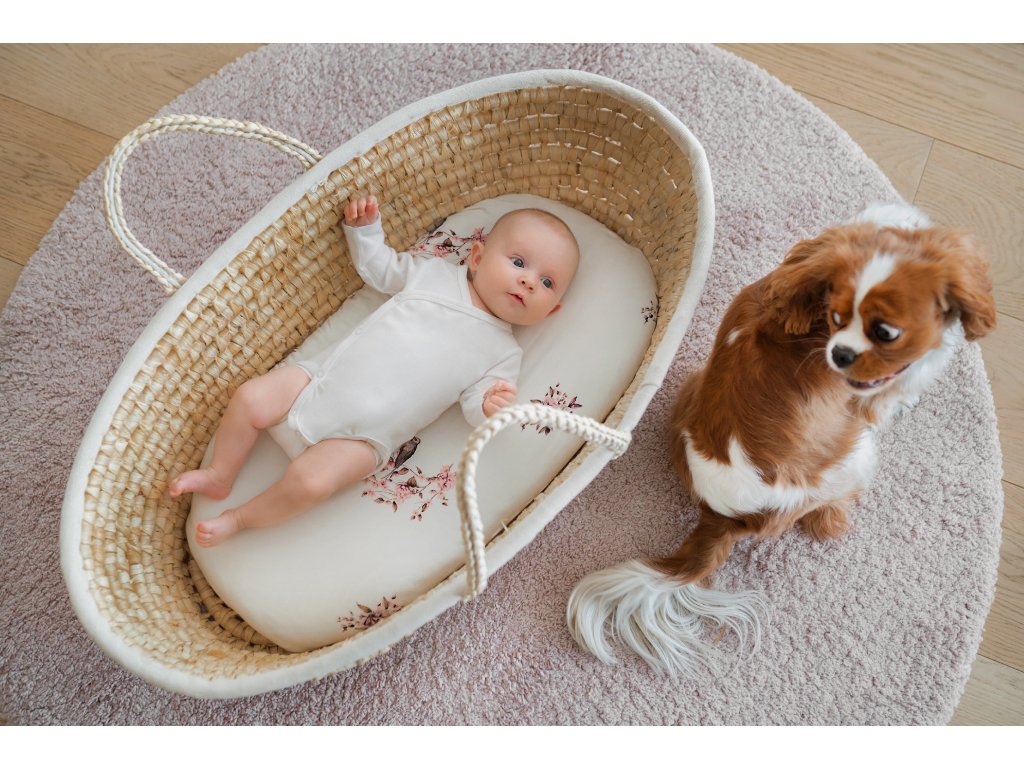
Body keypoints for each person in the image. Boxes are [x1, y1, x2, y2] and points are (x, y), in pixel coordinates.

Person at [169, 194, 580, 547]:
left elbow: (476, 406)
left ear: (552, 311)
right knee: (250, 398)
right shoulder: (432, 274)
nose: (529, 282)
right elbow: (381, 270)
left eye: (547, 283)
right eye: (519, 262)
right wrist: (365, 230)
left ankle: (240, 519)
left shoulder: (504, 352)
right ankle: (220, 474)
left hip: (365, 439)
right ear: (477, 256)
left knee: (310, 483)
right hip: (317, 381)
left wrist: (489, 406)